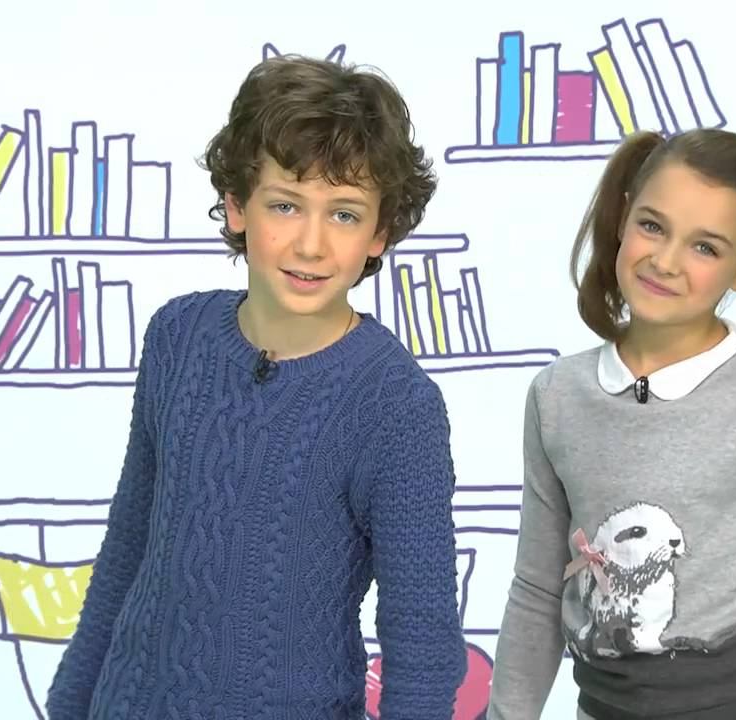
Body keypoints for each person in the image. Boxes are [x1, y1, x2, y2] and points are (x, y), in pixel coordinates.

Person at [45, 54, 467, 719]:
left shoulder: (396, 404)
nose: (311, 244)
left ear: (380, 233)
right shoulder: (177, 337)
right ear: (237, 205)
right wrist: (69, 705)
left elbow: (422, 644)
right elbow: (128, 546)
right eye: (285, 205)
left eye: (345, 214)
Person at [487, 127, 736, 719]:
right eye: (653, 226)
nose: (665, 261)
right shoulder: (557, 396)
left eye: (705, 247)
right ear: (623, 218)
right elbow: (537, 590)